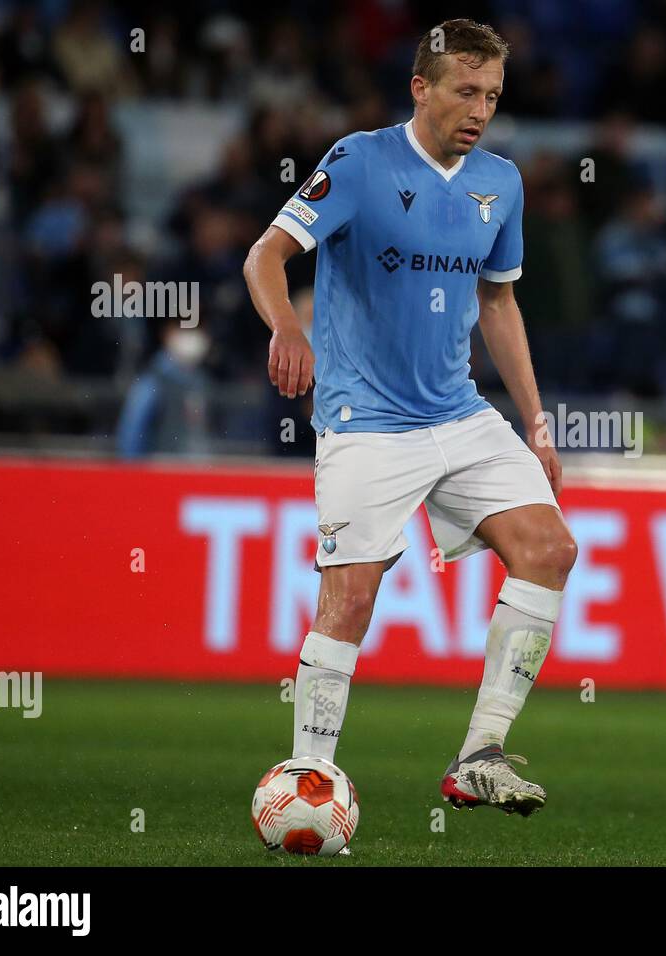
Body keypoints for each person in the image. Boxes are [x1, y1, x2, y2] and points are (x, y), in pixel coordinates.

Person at [242, 19, 576, 818]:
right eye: (466, 90)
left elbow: (499, 301)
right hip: (365, 421)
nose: (480, 109)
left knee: (550, 548)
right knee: (350, 600)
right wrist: (288, 327)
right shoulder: (360, 161)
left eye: (492, 94)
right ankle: (307, 776)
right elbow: (265, 255)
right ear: (421, 88)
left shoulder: (501, 182)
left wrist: (535, 421)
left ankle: (479, 755)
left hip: (459, 413)